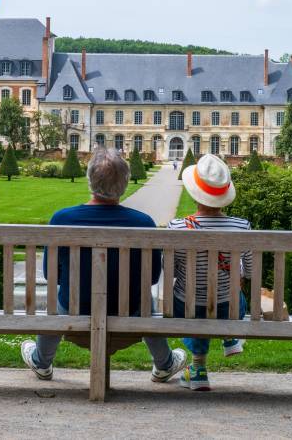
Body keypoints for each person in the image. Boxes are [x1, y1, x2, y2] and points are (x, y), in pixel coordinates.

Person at [21, 147, 186, 382]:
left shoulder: (62, 219)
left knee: (57, 297)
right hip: (129, 310)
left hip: (75, 308)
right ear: (126, 183)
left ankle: (41, 361)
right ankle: (165, 363)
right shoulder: (143, 223)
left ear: (89, 180)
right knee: (145, 299)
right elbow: (152, 278)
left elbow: (51, 275)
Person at [168, 154, 252, 391]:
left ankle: (197, 369)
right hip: (229, 307)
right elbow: (251, 272)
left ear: (194, 193)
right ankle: (230, 335)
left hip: (187, 306)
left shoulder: (177, 227)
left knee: (194, 303)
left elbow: (170, 270)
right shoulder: (241, 227)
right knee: (233, 293)